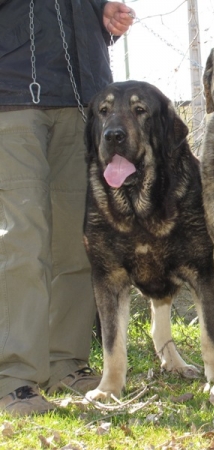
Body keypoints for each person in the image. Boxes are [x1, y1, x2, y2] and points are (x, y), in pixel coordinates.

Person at [0, 0, 135, 416]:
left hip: (82, 100)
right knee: (23, 236)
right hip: (12, 95)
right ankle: (15, 379)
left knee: (78, 239)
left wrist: (104, 16)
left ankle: (66, 362)